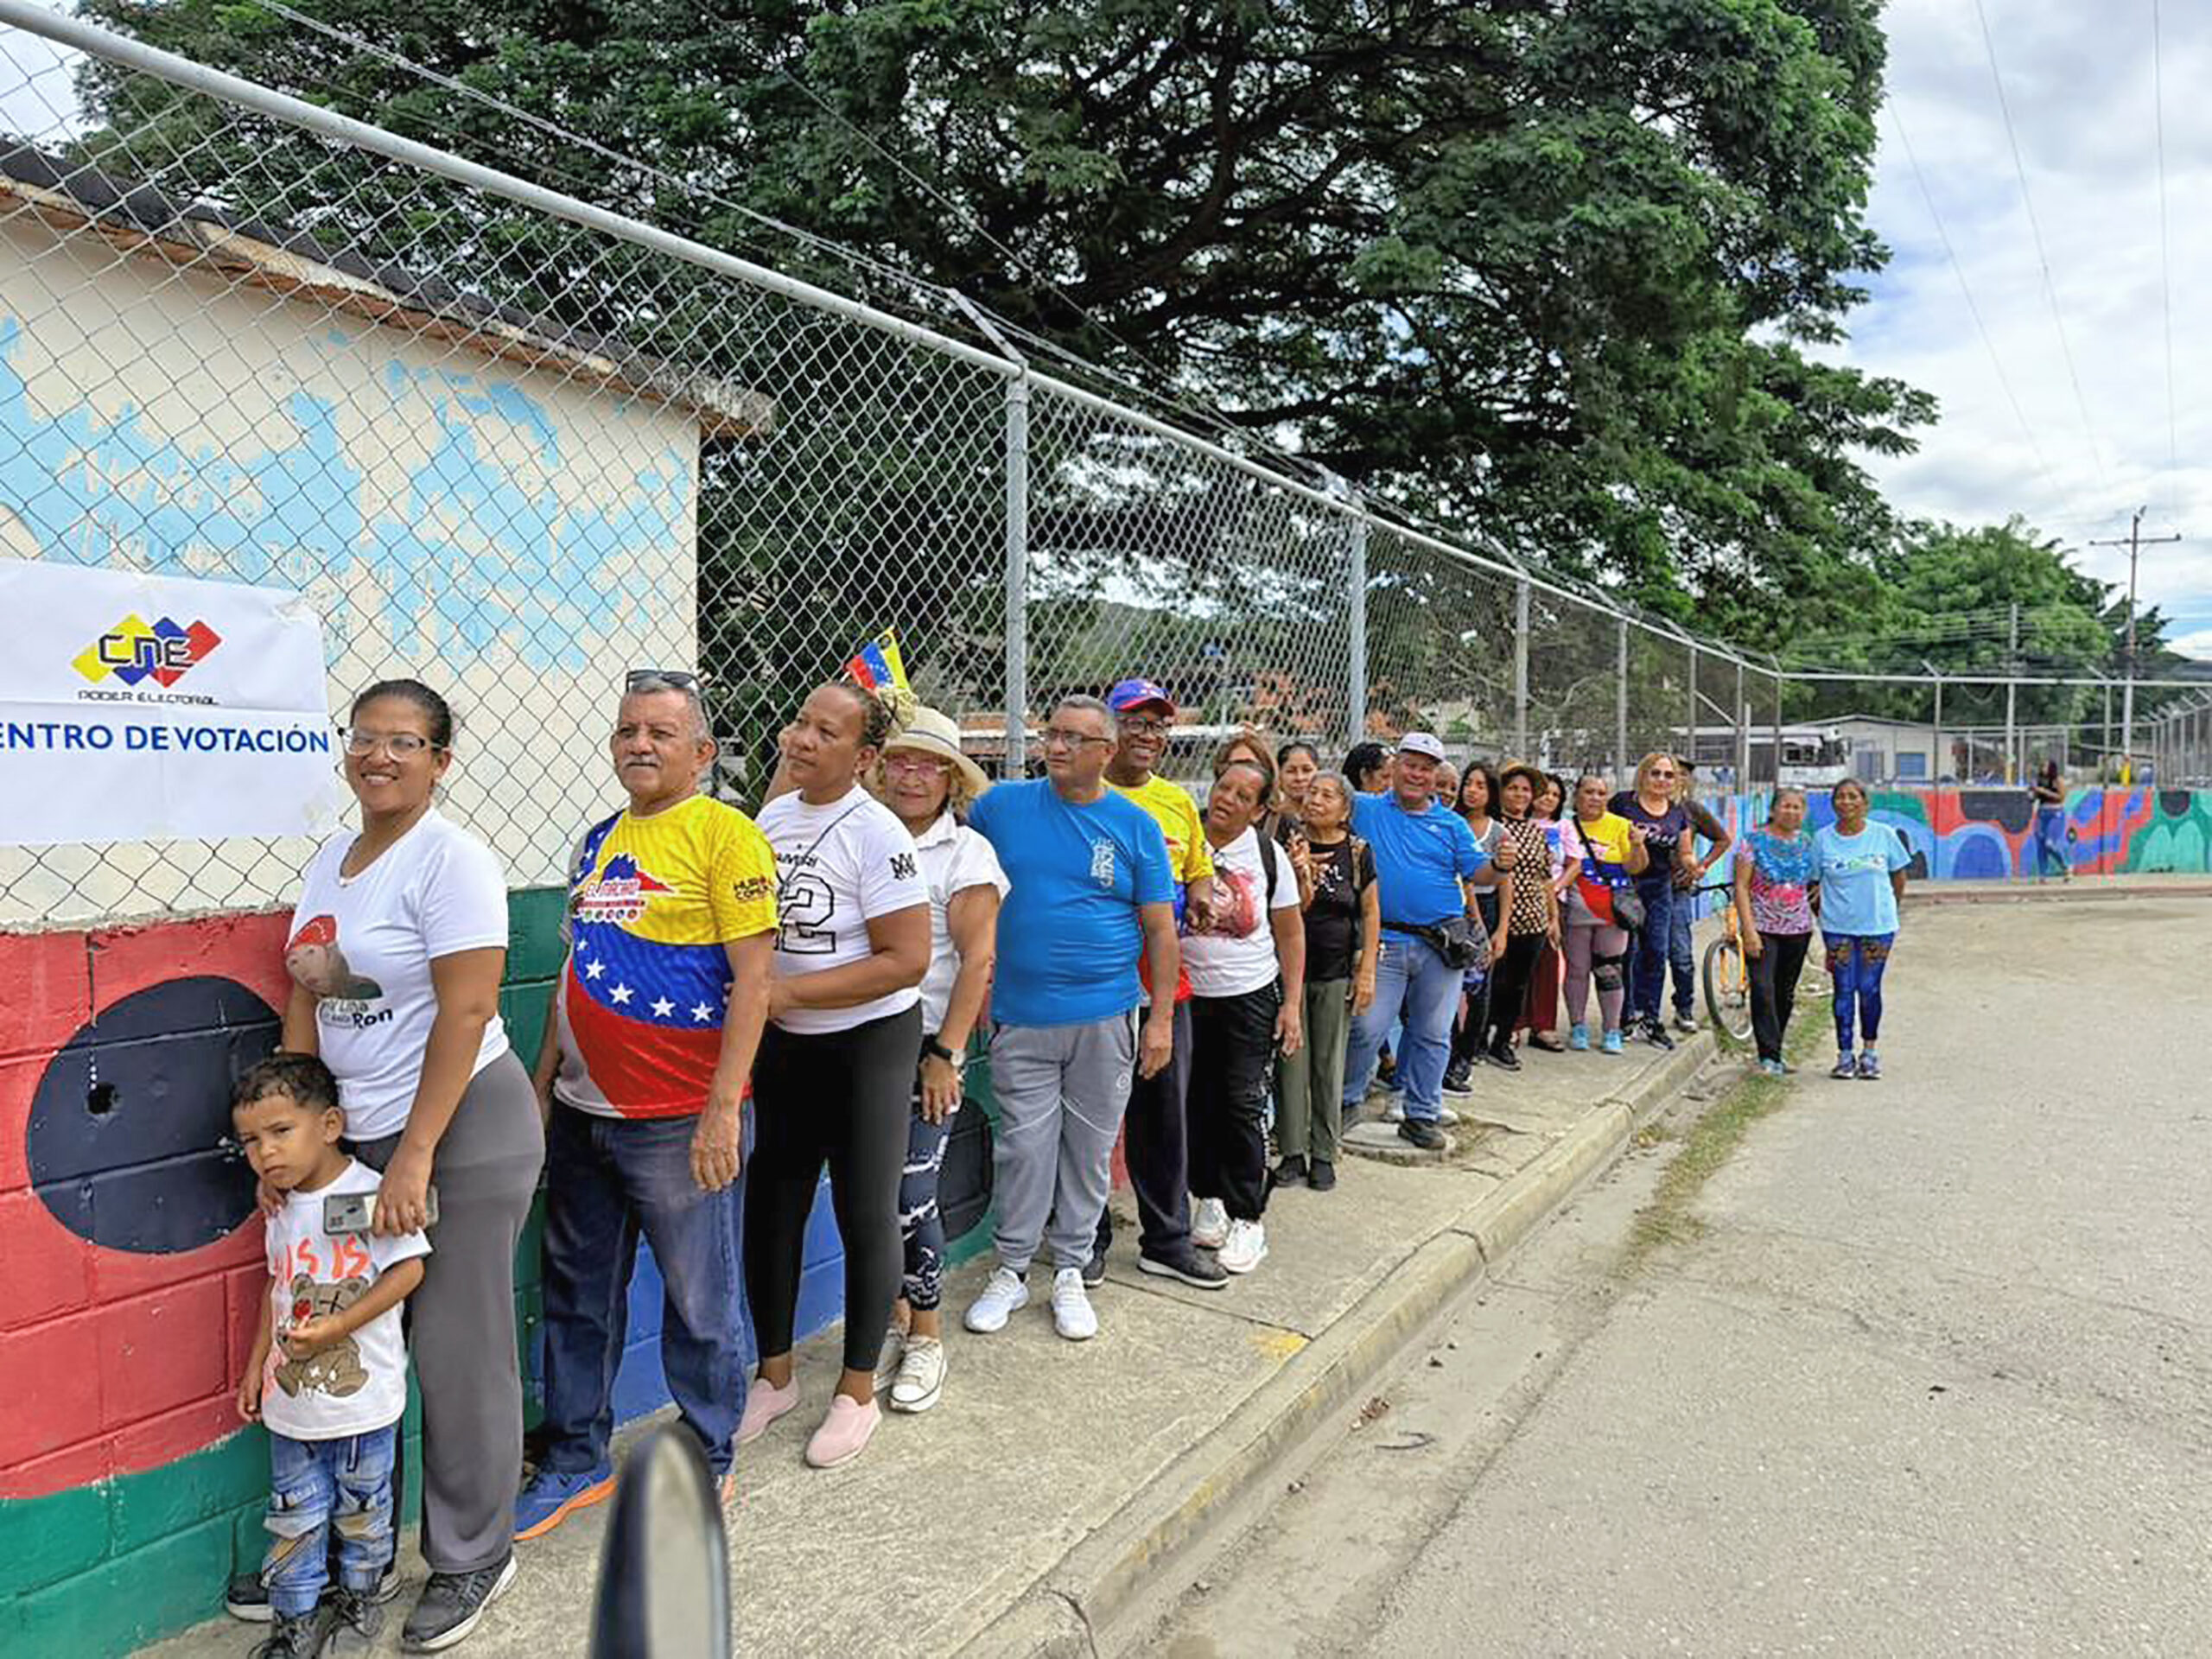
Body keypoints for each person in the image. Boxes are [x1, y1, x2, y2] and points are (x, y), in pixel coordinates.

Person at [274, 678, 542, 1651]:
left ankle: (474, 1554)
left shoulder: (451, 859)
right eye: (364, 738)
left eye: (404, 742)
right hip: (366, 1139)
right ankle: (360, 1555)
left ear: (440, 761)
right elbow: (305, 995)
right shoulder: (331, 861)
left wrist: (415, 1158)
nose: (378, 756)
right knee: (363, 1339)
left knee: (458, 1349)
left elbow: (467, 1011)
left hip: (459, 1128)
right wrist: (298, 1137)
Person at [516, 671, 776, 1541]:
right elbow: (573, 971)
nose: (639, 744)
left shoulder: (727, 836)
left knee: (700, 1302)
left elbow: (755, 983)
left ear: (702, 753)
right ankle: (575, 1457)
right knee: (577, 1293)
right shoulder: (597, 841)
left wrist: (722, 1109)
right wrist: (543, 1083)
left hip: (679, 1119)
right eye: (628, 730)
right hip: (583, 1114)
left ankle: (708, 1454)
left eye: (661, 733)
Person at [740, 683, 931, 1471]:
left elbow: (907, 959)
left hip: (867, 1042)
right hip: (785, 1044)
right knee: (772, 1205)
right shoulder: (771, 819)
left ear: (864, 757)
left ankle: (855, 1392)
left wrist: (787, 995)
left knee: (863, 1209)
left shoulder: (877, 833)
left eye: (826, 731)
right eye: (800, 722)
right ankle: (775, 1376)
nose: (803, 739)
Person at [964, 695, 1179, 1341]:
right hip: (1022, 1015)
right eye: (1052, 734)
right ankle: (1012, 1268)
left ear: (1106, 752)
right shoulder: (1001, 807)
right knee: (1025, 1149)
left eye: (1075, 739)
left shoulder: (1135, 826)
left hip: (1105, 1016)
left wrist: (1161, 1021)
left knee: (1087, 1152)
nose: (1057, 747)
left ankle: (1071, 1269)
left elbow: (1160, 930)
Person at [232, 1054, 429, 1659]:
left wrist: (339, 1325)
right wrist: (255, 1366)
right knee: (293, 1516)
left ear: (330, 1125)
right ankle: (295, 1621)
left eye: (280, 1131)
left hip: (364, 1407)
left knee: (363, 1514)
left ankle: (359, 1604)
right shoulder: (279, 1205)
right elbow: (276, 1286)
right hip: (292, 1406)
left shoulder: (370, 1193)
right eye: (250, 1140)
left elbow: (408, 1270)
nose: (265, 1152)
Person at [870, 706, 1006, 1412]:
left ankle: (926, 1335)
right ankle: (895, 1321)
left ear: (952, 780)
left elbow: (977, 961)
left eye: (930, 765)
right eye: (900, 761)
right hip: (859, 1041)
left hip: (927, 1045)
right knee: (869, 1196)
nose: (912, 776)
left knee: (911, 1195)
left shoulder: (967, 855)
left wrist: (946, 1054)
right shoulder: (863, 833)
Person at [1091, 677, 1227, 1291]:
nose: (1148, 735)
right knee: (1090, 1118)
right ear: (1107, 730)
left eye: (1158, 725)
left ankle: (1166, 1241)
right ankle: (1085, 1239)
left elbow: (1199, 868)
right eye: (1135, 722)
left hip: (1163, 980)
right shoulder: (1077, 795)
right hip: (1093, 977)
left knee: (1163, 1116)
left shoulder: (1175, 801)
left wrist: (1200, 897)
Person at [1342, 732, 1509, 1150]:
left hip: (1440, 944)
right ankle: (1343, 1103)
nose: (1417, 774)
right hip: (1384, 940)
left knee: (1433, 1033)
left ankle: (1420, 1114)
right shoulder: (1365, 809)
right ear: (1395, 767)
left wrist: (1499, 866)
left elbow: (1479, 873)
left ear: (1436, 776)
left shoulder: (1451, 824)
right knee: (1366, 1027)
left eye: (1427, 768)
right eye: (1410, 765)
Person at [1183, 759, 1306, 1272]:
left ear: (1258, 810)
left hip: (1248, 996)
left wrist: (1291, 1005)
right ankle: (1208, 1196)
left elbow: (1290, 933)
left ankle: (1248, 1215)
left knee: (1242, 1104)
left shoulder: (1266, 855)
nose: (1227, 799)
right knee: (1196, 1101)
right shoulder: (1184, 839)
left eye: (1242, 795)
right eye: (1223, 787)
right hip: (1186, 996)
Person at [1274, 772, 1376, 1192]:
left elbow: (1370, 912)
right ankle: (1292, 1151)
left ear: (1345, 808)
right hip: (1289, 971)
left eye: (1328, 795)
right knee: (1290, 1062)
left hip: (1335, 970)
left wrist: (1366, 969)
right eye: (1312, 792)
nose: (1316, 800)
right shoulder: (1286, 845)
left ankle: (1324, 1152)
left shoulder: (1358, 851)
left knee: (1328, 1064)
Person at [1814, 779, 1910, 1081]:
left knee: (1869, 988)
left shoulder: (1884, 835)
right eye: (1840, 797)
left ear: (1865, 803)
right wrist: (1824, 917)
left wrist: (1888, 908)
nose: (1847, 802)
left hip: (1878, 927)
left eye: (1853, 797)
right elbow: (1813, 884)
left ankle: (1869, 1053)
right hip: (1837, 928)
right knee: (1843, 988)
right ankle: (1844, 1055)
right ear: (1833, 803)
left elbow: (1899, 877)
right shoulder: (1822, 839)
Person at [1611, 753, 1695, 1049]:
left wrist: (1693, 864)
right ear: (1643, 774)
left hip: (1660, 888)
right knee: (1628, 952)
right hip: (1626, 887)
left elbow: (1685, 851)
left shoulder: (1677, 813)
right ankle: (1625, 1017)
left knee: (1656, 953)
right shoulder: (1623, 803)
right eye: (1655, 773)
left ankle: (1651, 1018)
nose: (1661, 780)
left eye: (1668, 775)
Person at [1561, 773, 1649, 1054]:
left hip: (1612, 913)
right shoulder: (1565, 826)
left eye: (1601, 793)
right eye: (1589, 792)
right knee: (1576, 970)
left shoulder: (1621, 825)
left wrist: (1638, 844)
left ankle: (1612, 1030)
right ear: (1577, 795)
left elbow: (1636, 867)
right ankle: (1577, 1027)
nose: (1595, 798)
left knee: (1610, 971)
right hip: (1576, 912)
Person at [1482, 765, 1560, 1071]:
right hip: (1498, 919)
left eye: (1525, 790)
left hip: (1533, 921)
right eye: (1513, 788)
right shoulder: (1492, 827)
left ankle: (1502, 1041)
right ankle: (1478, 1040)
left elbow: (1545, 878)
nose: (1519, 794)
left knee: (1518, 986)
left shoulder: (1536, 832)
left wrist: (1553, 918)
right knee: (1490, 985)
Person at [1734, 785, 1818, 1076]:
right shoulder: (1752, 842)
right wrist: (1748, 931)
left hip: (1798, 929)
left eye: (1797, 807)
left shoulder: (1807, 843)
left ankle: (1776, 1051)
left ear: (1803, 813)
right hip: (1762, 928)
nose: (1791, 812)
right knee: (1763, 989)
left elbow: (1815, 882)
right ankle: (1767, 1056)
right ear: (1773, 810)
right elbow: (1741, 887)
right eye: (1786, 806)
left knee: (1785, 993)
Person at [1441, 762, 1503, 1096]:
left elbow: (1504, 882)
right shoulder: (1449, 823)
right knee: (1447, 990)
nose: (1471, 791)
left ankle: (1466, 1055)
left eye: (1481, 785)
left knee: (1479, 990)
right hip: (1457, 909)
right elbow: (1463, 881)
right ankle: (1449, 1057)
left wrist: (1499, 929)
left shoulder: (1498, 831)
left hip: (1485, 908)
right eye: (1468, 784)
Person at [1662, 758, 1733, 1033]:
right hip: (1642, 891)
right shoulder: (1636, 807)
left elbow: (1723, 839)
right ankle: (1637, 1013)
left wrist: (1701, 866)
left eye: (1680, 774)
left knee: (1680, 954)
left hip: (1677, 892)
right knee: (1642, 955)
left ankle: (1684, 1009)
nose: (1673, 779)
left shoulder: (1691, 810)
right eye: (1667, 773)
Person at [1516, 774, 1578, 1052]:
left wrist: (1556, 888)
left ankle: (1543, 1025)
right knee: (1518, 964)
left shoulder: (1564, 826)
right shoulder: (1520, 823)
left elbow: (1574, 864)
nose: (1549, 798)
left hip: (1554, 902)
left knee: (1548, 964)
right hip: (1521, 901)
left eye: (1555, 795)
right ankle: (1514, 1025)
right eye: (1544, 792)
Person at [2031, 760, 2070, 881]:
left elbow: (2061, 797)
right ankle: (2043, 874)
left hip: (2055, 813)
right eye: (2042, 766)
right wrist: (2034, 792)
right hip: (2042, 813)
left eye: (2045, 766)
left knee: (2050, 844)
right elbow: (2033, 798)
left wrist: (2044, 791)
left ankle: (2065, 866)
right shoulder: (2040, 781)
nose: (2043, 768)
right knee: (2041, 844)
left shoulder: (2058, 780)